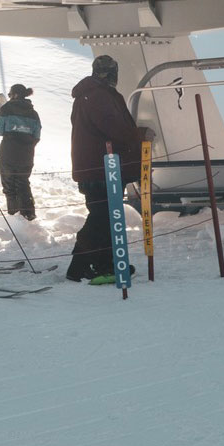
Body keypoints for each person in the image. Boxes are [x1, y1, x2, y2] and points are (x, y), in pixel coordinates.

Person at [67, 54, 145, 282]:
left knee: (106, 217)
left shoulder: (90, 94)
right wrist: (138, 135)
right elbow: (115, 128)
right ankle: (79, 266)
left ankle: (105, 263)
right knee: (101, 218)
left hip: (96, 167)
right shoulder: (99, 95)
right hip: (102, 169)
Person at [0, 84, 41, 220]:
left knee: (9, 187)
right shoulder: (34, 113)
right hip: (26, 155)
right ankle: (29, 215)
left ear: (14, 95)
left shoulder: (6, 109)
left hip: (8, 153)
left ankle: (14, 217)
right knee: (23, 183)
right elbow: (37, 135)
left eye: (10, 94)